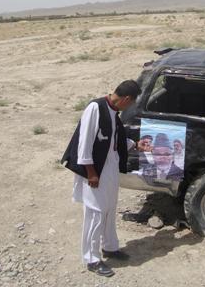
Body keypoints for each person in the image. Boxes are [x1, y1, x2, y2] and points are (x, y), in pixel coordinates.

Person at [61, 80, 141, 277]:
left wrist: (136, 145)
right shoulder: (95, 108)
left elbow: (113, 138)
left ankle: (110, 247)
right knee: (96, 212)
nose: (129, 107)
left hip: (110, 167)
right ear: (126, 99)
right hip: (96, 169)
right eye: (131, 103)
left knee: (109, 208)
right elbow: (84, 142)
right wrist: (91, 172)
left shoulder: (113, 111)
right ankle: (91, 258)